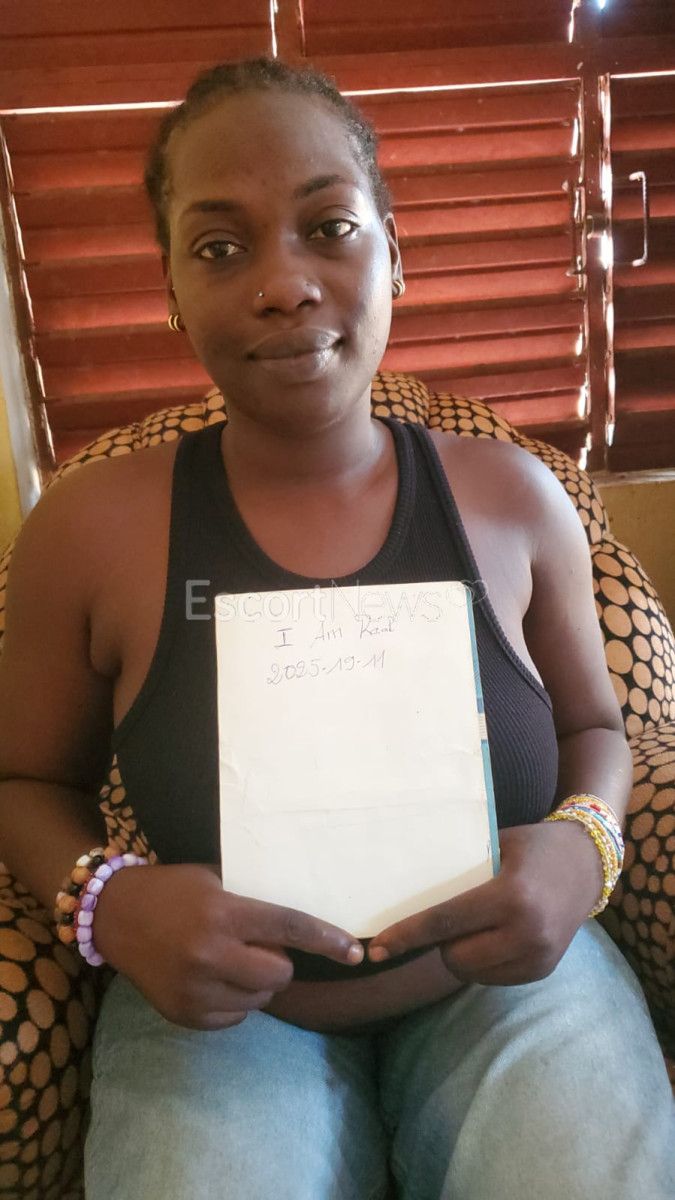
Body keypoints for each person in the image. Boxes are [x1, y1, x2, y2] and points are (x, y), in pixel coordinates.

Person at [0, 57, 673, 1200]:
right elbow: (23, 779)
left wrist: (584, 848)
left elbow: (599, 731)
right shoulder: (88, 528)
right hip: (220, 1014)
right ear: (171, 290)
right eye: (221, 247)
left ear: (393, 255)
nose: (283, 284)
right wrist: (109, 903)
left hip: (509, 987)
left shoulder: (519, 498)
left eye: (330, 227)